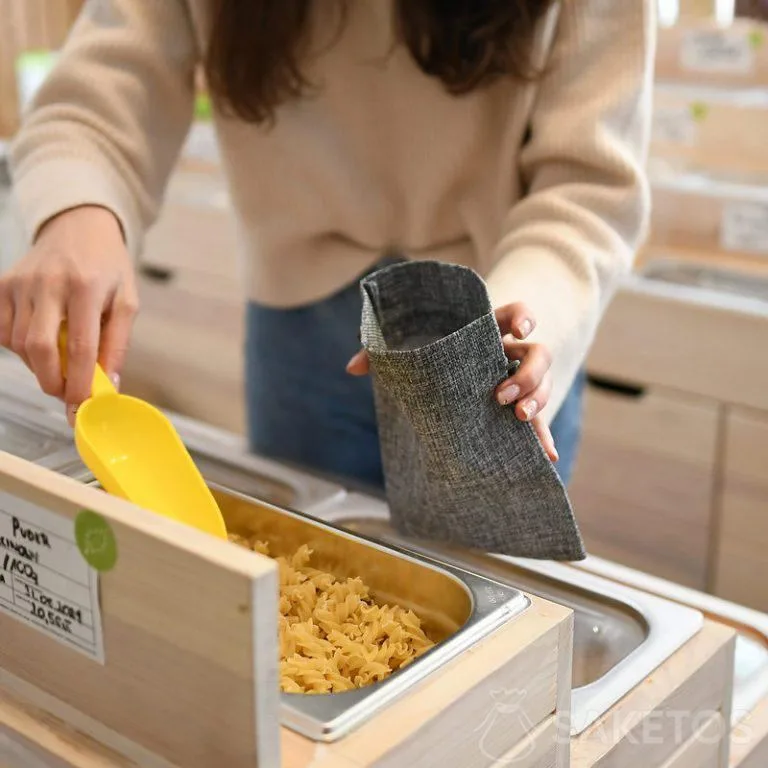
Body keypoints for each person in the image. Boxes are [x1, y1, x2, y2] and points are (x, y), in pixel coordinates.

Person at [2, 1, 654, 491]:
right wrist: (78, 211)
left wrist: (531, 311)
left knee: (499, 624)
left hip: (495, 329)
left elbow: (586, 183)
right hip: (301, 321)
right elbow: (103, 92)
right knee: (315, 599)